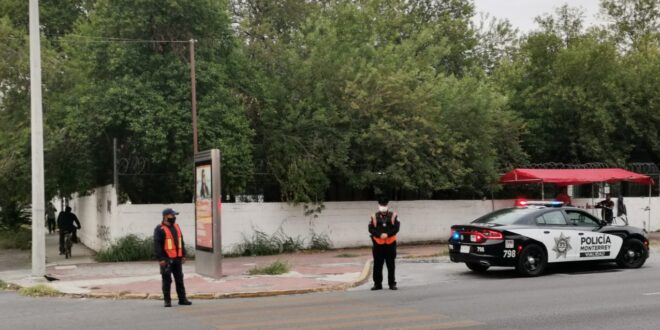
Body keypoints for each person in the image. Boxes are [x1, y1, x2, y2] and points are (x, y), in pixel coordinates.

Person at [154, 208, 192, 307]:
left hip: (177, 258)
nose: (174, 217)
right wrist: (161, 259)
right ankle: (167, 301)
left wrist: (183, 254)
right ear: (165, 216)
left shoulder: (176, 227)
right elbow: (157, 245)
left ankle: (182, 299)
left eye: (174, 216)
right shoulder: (159, 229)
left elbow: (181, 242)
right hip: (166, 259)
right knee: (167, 280)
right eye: (172, 215)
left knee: (179, 279)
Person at [368, 197, 400, 291]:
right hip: (378, 244)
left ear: (387, 205)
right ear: (379, 205)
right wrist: (379, 235)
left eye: (385, 205)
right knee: (377, 265)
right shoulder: (374, 216)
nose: (383, 206)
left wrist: (387, 234)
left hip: (390, 244)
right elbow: (370, 229)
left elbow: (397, 228)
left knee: (391, 264)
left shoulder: (393, 215)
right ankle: (377, 284)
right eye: (381, 205)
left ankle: (392, 284)